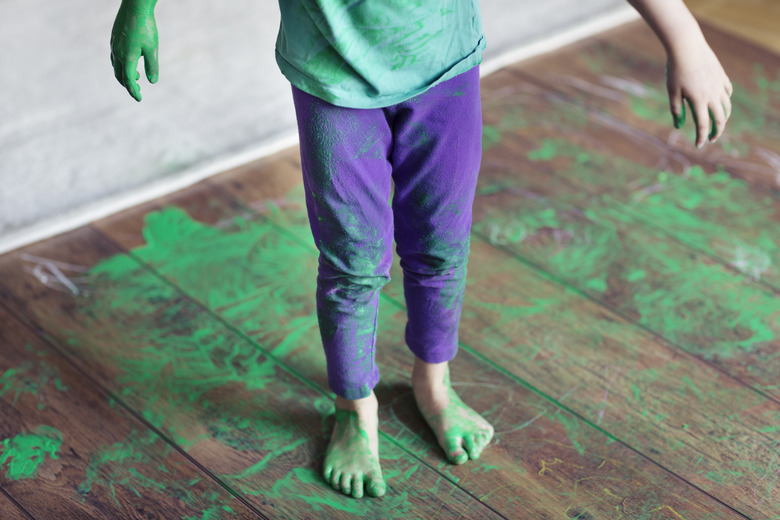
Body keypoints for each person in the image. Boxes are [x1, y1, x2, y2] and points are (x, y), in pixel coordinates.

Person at [110, 0, 732, 500]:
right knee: (352, 261)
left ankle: (433, 383)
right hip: (334, 77)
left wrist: (685, 38)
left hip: (445, 70)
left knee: (440, 244)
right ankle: (355, 407)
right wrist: (140, 6)